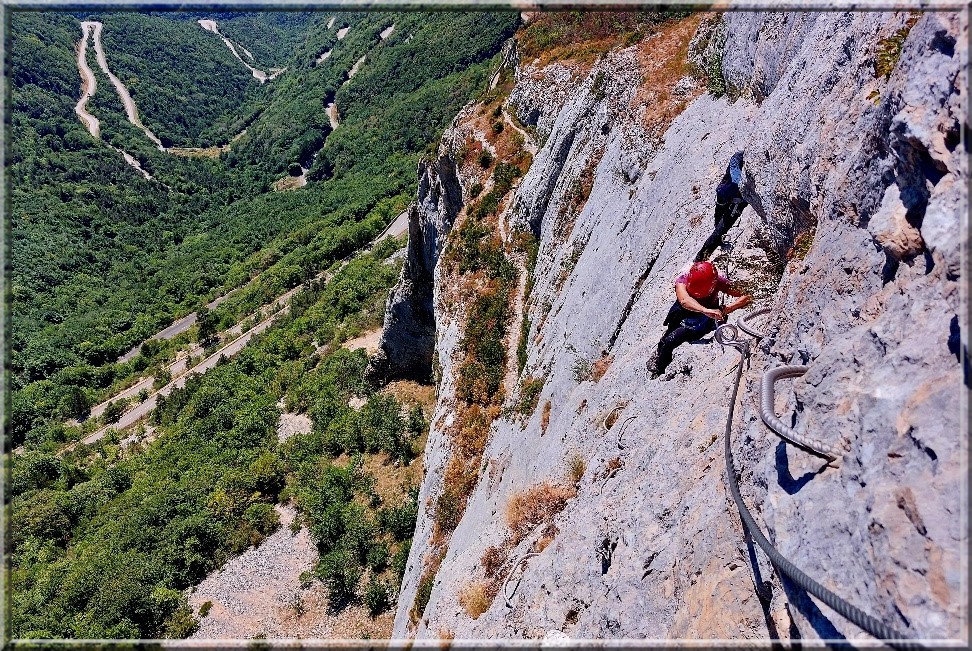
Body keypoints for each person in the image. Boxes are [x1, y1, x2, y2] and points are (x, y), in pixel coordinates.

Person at [647, 261, 752, 378]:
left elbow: (746, 294)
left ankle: (660, 368)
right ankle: (660, 365)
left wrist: (727, 309)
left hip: (703, 319)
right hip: (684, 314)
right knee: (668, 339)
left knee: (671, 340)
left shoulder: (719, 282)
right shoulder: (682, 280)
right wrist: (705, 310)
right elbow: (684, 300)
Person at [697, 151, 747, 262]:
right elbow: (735, 178)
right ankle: (702, 256)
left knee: (721, 228)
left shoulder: (739, 157)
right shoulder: (738, 157)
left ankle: (700, 258)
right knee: (718, 219)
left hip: (735, 202)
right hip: (725, 195)